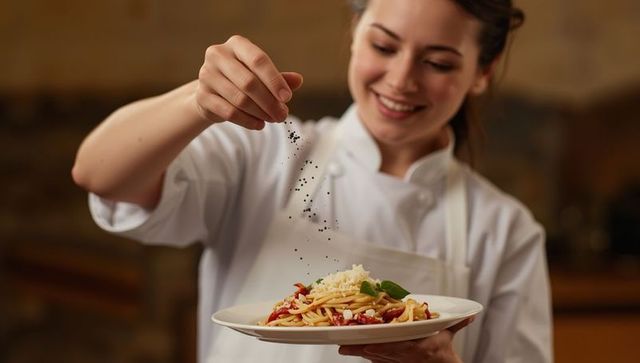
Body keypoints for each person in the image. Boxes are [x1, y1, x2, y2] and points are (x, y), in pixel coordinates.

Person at [72, 0, 553, 362]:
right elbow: (98, 174)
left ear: (482, 73)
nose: (402, 79)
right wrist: (199, 101)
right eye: (383, 46)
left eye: (439, 62)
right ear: (354, 33)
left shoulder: (505, 229)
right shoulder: (264, 151)